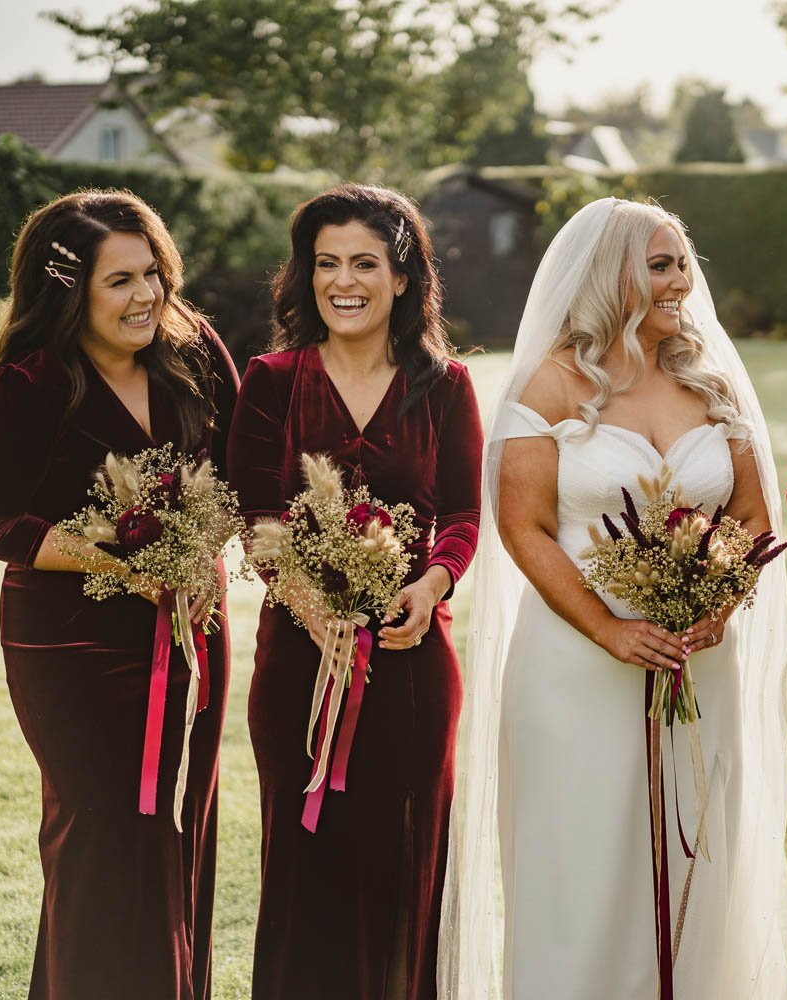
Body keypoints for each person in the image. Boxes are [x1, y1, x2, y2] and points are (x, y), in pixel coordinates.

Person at [440, 199, 787, 999]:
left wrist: (717, 607)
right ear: (610, 277)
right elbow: (523, 526)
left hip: (697, 665)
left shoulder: (709, 382)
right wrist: (608, 628)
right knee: (586, 870)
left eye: (682, 264)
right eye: (659, 266)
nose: (680, 282)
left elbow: (752, 517)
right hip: (575, 669)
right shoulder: (553, 382)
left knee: (693, 855)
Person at [0, 190, 239, 999]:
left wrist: (200, 556)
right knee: (101, 831)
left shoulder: (195, 351)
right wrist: (130, 571)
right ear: (69, 292)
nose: (146, 295)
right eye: (119, 281)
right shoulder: (36, 381)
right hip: (71, 647)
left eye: (152, 273)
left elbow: (241, 471)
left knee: (180, 822)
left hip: (193, 628)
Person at [227, 184, 482, 1000]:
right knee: (307, 870)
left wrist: (433, 583)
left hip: (412, 665)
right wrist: (311, 608)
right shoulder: (271, 381)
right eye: (326, 263)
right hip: (298, 663)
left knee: (404, 864)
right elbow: (256, 515)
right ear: (305, 276)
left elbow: (463, 513)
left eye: (365, 264)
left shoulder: (446, 386)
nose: (344, 281)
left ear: (403, 279)